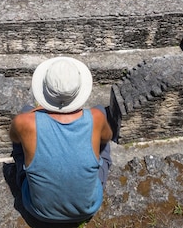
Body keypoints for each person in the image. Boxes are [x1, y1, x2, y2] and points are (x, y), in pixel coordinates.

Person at [9, 56, 113, 224]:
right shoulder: (97, 118)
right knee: (102, 122)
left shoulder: (24, 122)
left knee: (25, 117)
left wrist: (39, 113)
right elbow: (107, 138)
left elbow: (15, 140)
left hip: (38, 211)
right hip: (87, 209)